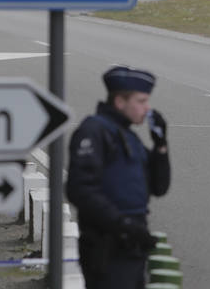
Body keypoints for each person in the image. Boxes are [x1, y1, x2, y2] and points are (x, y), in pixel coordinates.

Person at [66, 66, 171, 289]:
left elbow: (159, 187)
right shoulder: (94, 131)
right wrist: (122, 224)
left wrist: (161, 146)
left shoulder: (129, 137)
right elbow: (79, 189)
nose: (147, 108)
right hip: (106, 246)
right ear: (120, 102)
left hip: (132, 244)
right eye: (141, 101)